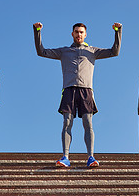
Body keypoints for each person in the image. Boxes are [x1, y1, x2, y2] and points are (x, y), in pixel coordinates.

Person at [33, 22, 122, 167]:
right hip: (68, 90)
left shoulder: (92, 51)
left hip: (86, 90)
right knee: (67, 122)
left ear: (85, 34)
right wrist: (37, 31)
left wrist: (118, 31)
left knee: (88, 123)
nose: (79, 34)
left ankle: (91, 157)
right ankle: (65, 157)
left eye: (81, 32)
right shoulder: (64, 51)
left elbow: (114, 52)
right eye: (76, 32)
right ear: (72, 34)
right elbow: (41, 51)